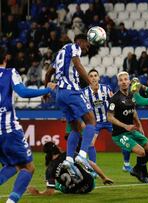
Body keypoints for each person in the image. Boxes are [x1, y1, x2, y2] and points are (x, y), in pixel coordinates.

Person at [0, 46, 56, 203]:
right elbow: (23, 92)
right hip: (9, 130)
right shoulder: (9, 73)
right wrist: (46, 90)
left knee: (12, 165)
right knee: (28, 168)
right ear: (6, 58)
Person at [44, 33, 96, 177]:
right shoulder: (74, 47)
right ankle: (82, 156)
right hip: (72, 91)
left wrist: (46, 91)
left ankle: (68, 160)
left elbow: (48, 73)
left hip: (60, 95)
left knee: (76, 128)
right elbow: (78, 65)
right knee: (91, 120)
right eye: (87, 43)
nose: (88, 46)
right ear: (80, 41)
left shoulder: (60, 53)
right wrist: (90, 82)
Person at [107, 72, 148, 183]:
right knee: (141, 152)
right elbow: (109, 117)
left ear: (129, 81)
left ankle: (137, 170)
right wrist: (125, 126)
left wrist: (140, 125)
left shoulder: (132, 95)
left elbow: (133, 111)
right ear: (118, 83)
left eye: (126, 79)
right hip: (119, 134)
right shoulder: (115, 98)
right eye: (121, 80)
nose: (124, 82)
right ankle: (143, 174)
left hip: (132, 131)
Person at [82, 69, 132, 172]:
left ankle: (126, 164)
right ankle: (93, 169)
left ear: (99, 77)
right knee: (91, 144)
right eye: (91, 76)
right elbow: (83, 108)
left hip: (109, 120)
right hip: (95, 121)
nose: (93, 78)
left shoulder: (106, 88)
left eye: (95, 75)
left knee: (125, 140)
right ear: (88, 78)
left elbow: (115, 102)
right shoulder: (85, 92)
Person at [27, 142, 113, 195]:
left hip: (74, 191)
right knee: (84, 165)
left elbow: (50, 192)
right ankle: (92, 175)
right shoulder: (69, 154)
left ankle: (57, 185)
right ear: (57, 148)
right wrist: (104, 178)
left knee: (51, 182)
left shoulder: (49, 169)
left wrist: (38, 193)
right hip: (89, 185)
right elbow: (92, 164)